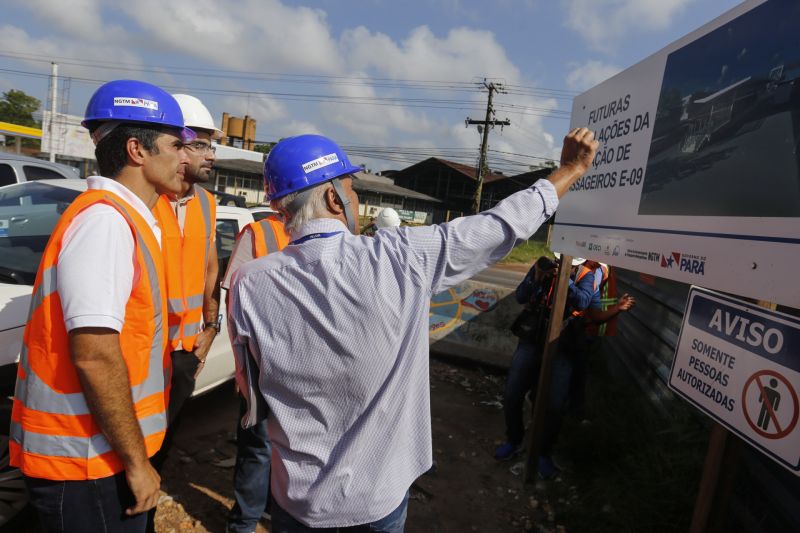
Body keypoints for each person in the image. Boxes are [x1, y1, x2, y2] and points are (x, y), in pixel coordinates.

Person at [227, 128, 598, 531]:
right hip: (377, 500)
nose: (356, 200)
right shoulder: (400, 257)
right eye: (351, 191)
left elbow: (252, 398)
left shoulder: (249, 283)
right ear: (333, 198)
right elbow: (499, 225)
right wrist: (571, 170)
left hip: (296, 501)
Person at [10, 79, 195, 532]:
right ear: (137, 149)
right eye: (177, 145)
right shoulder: (106, 223)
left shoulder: (125, 218)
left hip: (98, 454)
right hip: (86, 462)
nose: (186, 157)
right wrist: (136, 462)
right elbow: (94, 355)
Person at [495, 252, 634, 479]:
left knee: (555, 404)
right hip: (533, 338)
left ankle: (543, 454)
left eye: (564, 262)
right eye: (558, 260)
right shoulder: (544, 265)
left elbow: (583, 303)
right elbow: (521, 296)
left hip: (564, 343)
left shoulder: (587, 275)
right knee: (512, 393)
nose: (558, 263)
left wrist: (564, 279)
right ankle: (514, 440)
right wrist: (538, 276)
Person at [152, 93, 222, 431]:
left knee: (165, 438)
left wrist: (211, 329)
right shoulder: (145, 199)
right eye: (203, 146)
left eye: (212, 148)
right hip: (145, 350)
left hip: (185, 352)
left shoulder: (207, 204)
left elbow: (210, 269)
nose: (211, 157)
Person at [221, 215, 289, 533]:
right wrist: (241, 370)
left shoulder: (334, 228)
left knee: (288, 448)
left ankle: (269, 508)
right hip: (262, 365)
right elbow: (234, 303)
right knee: (259, 446)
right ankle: (245, 522)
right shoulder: (259, 233)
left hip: (306, 369)